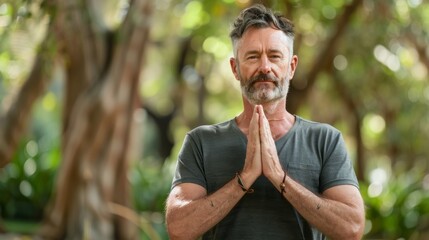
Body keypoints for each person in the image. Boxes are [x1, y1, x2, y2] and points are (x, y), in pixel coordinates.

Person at [165, 4, 365, 240]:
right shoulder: (201, 142)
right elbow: (178, 228)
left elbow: (352, 229)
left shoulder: (325, 140)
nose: (264, 67)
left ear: (291, 67)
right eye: (252, 56)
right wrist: (245, 178)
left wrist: (280, 179)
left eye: (274, 56)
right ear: (235, 68)